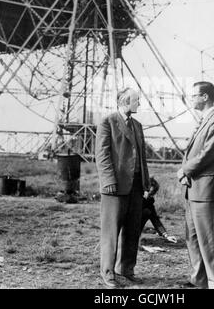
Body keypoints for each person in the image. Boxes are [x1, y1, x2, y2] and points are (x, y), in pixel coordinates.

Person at [95, 87, 150, 288]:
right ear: (125, 101)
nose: (139, 104)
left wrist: (146, 183)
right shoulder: (107, 122)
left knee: (133, 230)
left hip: (136, 186)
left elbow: (142, 158)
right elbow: (102, 155)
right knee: (111, 231)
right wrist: (108, 181)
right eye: (136, 100)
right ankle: (108, 272)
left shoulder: (138, 126)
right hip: (115, 186)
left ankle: (126, 269)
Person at [177, 81, 214, 289]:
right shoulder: (204, 121)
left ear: (205, 97)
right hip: (193, 190)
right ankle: (198, 281)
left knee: (210, 242)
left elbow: (208, 153)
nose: (191, 100)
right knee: (193, 238)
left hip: (206, 191)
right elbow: (192, 152)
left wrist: (185, 170)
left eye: (193, 96)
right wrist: (185, 174)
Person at [140, 177, 177, 243]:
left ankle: (136, 236)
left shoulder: (149, 202)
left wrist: (166, 235)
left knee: (147, 212)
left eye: (151, 194)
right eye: (148, 191)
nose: (148, 195)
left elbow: (155, 219)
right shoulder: (133, 198)